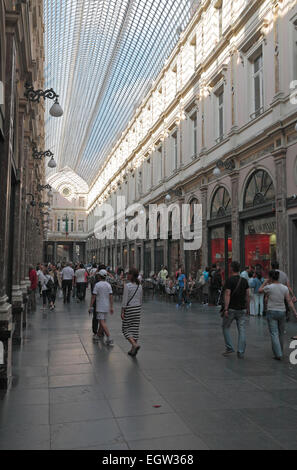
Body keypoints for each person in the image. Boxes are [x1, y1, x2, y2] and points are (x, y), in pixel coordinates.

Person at [259, 270, 297, 360]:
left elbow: (259, 290)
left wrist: (265, 282)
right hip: (282, 312)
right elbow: (289, 301)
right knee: (280, 333)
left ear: (271, 277)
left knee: (274, 333)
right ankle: (280, 351)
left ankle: (278, 353)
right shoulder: (284, 288)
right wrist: (295, 312)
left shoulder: (269, 287)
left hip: (272, 311)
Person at [222, 261, 250, 359]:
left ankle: (229, 347)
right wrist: (248, 308)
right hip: (242, 308)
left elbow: (227, 294)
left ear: (231, 268)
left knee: (225, 327)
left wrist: (226, 308)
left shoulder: (229, 280)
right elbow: (248, 295)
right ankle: (241, 351)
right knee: (241, 329)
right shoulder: (244, 281)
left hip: (231, 308)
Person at [121, 268, 143, 356]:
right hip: (137, 308)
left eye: (128, 274)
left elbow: (124, 300)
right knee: (135, 329)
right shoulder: (139, 286)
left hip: (129, 308)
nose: (127, 275)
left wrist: (122, 311)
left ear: (131, 275)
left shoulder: (127, 286)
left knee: (125, 329)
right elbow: (141, 298)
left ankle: (134, 344)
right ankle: (133, 350)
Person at [89, 269, 114, 345]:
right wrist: (111, 307)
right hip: (106, 306)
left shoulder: (97, 285)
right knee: (102, 322)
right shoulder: (108, 285)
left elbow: (93, 296)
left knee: (102, 322)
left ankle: (109, 338)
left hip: (99, 306)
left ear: (99, 276)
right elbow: (111, 296)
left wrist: (90, 306)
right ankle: (98, 335)